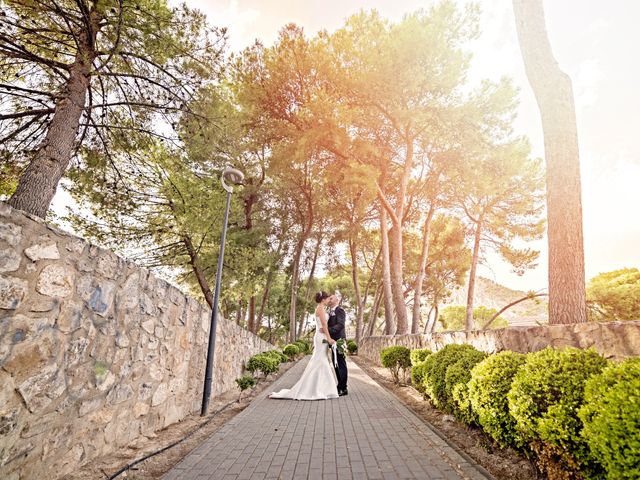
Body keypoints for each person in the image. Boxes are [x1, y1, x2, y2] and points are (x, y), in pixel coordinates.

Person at [269, 291, 339, 400]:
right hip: (321, 337)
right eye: (327, 298)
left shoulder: (322, 308)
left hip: (322, 336)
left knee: (321, 360)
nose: (328, 300)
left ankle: (323, 388)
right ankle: (312, 389)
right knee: (320, 361)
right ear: (323, 299)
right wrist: (329, 338)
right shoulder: (320, 309)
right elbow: (324, 325)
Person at [327, 294, 348, 396]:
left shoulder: (340, 310)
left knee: (341, 364)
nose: (329, 300)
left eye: (331, 298)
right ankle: (340, 385)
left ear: (337, 300)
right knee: (336, 365)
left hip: (339, 341)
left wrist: (328, 330)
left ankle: (343, 388)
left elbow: (340, 325)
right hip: (332, 341)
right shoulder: (330, 312)